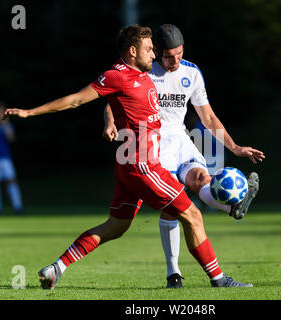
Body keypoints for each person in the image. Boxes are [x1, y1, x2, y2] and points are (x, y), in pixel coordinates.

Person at [4, 24, 252, 289]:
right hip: (143, 165)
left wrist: (112, 122)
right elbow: (77, 99)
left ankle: (57, 267)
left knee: (116, 227)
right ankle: (218, 278)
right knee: (192, 215)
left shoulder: (143, 72)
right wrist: (30, 113)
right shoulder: (116, 75)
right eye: (149, 50)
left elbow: (115, 103)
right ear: (133, 51)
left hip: (126, 165)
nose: (154, 55)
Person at [102, 24, 264, 288]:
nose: (174, 60)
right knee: (173, 208)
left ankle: (232, 207)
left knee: (201, 179)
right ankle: (173, 272)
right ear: (156, 52)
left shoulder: (192, 72)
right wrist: (109, 122)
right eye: (168, 56)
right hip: (152, 143)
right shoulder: (144, 69)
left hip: (180, 139)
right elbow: (111, 97)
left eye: (179, 54)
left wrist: (235, 148)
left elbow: (208, 117)